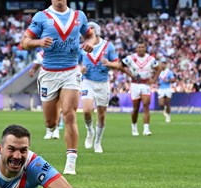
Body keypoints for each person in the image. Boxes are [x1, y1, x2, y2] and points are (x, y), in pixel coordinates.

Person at [21, 0, 97, 175]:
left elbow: (91, 36)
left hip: (71, 72)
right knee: (51, 122)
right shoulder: (41, 17)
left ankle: (71, 161)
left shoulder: (79, 16)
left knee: (69, 114)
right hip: (48, 74)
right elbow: (24, 42)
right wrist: (39, 42)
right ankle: (51, 128)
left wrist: (90, 43)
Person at [78, 22, 129, 153]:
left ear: (97, 32)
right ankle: (90, 131)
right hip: (87, 81)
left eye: (92, 30)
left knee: (101, 115)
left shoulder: (108, 46)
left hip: (103, 83)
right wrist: (80, 69)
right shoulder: (82, 47)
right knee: (86, 110)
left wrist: (109, 64)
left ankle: (98, 142)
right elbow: (75, 63)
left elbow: (118, 64)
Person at [121, 41, 161, 136]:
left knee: (146, 105)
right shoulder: (131, 58)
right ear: (136, 48)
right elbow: (121, 66)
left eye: (143, 47)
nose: (141, 49)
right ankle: (134, 127)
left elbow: (159, 68)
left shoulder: (150, 59)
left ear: (145, 48)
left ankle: (146, 129)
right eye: (139, 47)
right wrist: (130, 75)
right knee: (136, 108)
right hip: (135, 84)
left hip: (145, 84)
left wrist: (154, 79)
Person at [29, 49, 63, 139]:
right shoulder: (40, 54)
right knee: (46, 107)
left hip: (58, 81)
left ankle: (56, 130)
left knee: (57, 107)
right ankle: (48, 130)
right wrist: (32, 70)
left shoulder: (60, 52)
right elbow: (36, 64)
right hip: (46, 82)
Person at [157, 59, 176, 123]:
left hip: (167, 88)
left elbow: (173, 80)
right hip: (161, 89)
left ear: (166, 64)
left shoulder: (169, 72)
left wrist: (168, 81)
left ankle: (168, 116)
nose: (163, 64)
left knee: (168, 104)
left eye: (164, 63)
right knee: (161, 104)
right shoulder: (158, 71)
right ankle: (164, 112)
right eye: (162, 63)